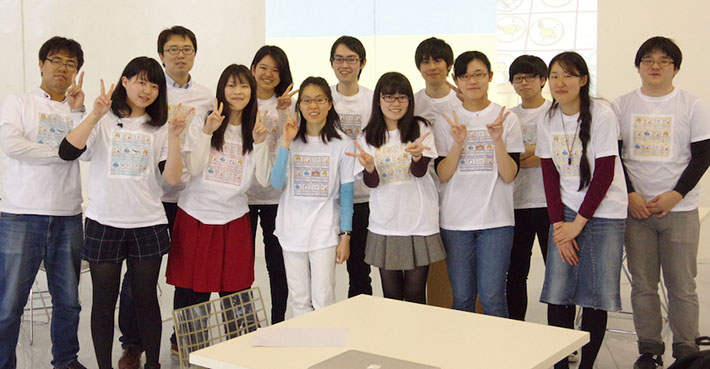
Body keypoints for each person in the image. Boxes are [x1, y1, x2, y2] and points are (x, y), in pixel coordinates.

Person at [59, 56, 188, 369]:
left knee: (146, 301)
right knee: (103, 303)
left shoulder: (159, 127)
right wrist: (94, 114)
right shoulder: (102, 120)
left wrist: (173, 137)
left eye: (155, 85)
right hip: (105, 222)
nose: (148, 90)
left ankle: (153, 364)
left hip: (148, 224)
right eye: (141, 81)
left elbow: (172, 179)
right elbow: (67, 152)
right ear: (125, 82)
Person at [116, 25, 214, 367]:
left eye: (186, 48)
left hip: (192, 197)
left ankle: (184, 337)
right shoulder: (150, 92)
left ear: (194, 54)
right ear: (161, 54)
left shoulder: (206, 95)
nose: (180, 55)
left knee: (190, 273)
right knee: (139, 277)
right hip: (152, 198)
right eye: (172, 49)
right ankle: (133, 344)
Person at [613, 36, 710, 369]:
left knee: (682, 284)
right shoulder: (621, 105)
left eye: (664, 60)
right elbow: (613, 157)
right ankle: (649, 349)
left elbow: (703, 155)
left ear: (676, 68)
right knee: (643, 284)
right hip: (636, 210)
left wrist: (676, 194)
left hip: (679, 210)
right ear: (638, 66)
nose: (655, 66)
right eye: (648, 60)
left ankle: (687, 351)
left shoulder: (693, 104)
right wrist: (629, 195)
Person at [536, 51, 628, 369]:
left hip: (605, 213)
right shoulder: (547, 118)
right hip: (565, 211)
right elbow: (548, 174)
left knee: (595, 295)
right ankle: (560, 363)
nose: (560, 82)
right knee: (558, 292)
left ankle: (586, 365)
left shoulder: (602, 113)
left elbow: (604, 172)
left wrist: (579, 223)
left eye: (568, 75)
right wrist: (559, 226)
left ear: (583, 80)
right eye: (555, 76)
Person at [0, 36, 87, 369]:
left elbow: (87, 149)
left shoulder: (77, 108)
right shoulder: (18, 102)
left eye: (71, 64)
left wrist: (79, 112)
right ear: (41, 64)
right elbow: (12, 145)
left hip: (67, 213)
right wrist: (61, 153)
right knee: (9, 304)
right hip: (21, 214)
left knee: (68, 302)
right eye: (56, 61)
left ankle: (66, 361)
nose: (63, 69)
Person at [166, 64, 270, 330]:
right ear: (222, 89)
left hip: (234, 218)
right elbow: (195, 169)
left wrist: (259, 143)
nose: (238, 91)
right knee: (191, 290)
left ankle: (236, 348)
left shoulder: (255, 126)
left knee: (236, 290)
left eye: (244, 86)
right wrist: (207, 132)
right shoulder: (204, 118)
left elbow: (264, 179)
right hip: (196, 215)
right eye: (232, 85)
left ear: (252, 91)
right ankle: (186, 345)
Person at [437, 50, 524, 317]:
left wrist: (497, 139)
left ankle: (499, 358)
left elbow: (509, 174)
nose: (472, 81)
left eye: (478, 75)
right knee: (462, 298)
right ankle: (462, 357)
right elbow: (443, 174)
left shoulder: (506, 117)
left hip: (496, 222)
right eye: (465, 76)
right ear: (456, 80)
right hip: (455, 222)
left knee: (493, 297)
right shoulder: (447, 119)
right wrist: (457, 144)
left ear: (489, 77)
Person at [349, 72, 445, 303]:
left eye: (402, 98)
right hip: (386, 223)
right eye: (389, 97)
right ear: (379, 100)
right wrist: (370, 167)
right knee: (390, 296)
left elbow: (420, 172)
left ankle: (418, 339)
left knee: (415, 294)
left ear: (410, 102)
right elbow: (372, 183)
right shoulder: (368, 137)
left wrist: (418, 156)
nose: (396, 103)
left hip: (418, 221)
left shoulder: (421, 128)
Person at [270, 76, 355, 316]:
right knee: (298, 300)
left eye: (319, 99)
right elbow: (276, 183)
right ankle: (303, 351)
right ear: (299, 106)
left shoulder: (342, 143)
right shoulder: (290, 139)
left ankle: (325, 351)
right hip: (291, 230)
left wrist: (345, 236)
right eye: (306, 100)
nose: (313, 106)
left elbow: (346, 195)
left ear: (329, 104)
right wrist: (286, 142)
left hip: (324, 232)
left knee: (324, 298)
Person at [247, 45, 296, 324]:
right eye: (263, 67)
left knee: (277, 264)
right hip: (243, 196)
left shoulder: (288, 104)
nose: (268, 74)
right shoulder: (240, 99)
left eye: (275, 69)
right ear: (253, 69)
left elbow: (291, 140)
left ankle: (278, 319)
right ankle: (244, 321)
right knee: (242, 265)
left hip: (277, 196)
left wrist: (282, 111)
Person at [412, 37, 460, 307]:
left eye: (437, 60)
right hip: (423, 192)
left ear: (448, 65)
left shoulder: (462, 100)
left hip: (459, 191)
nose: (432, 66)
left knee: (456, 268)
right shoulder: (413, 102)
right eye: (425, 61)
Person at [505, 55, 551, 321]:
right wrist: (538, 153)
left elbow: (557, 153)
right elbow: (510, 158)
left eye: (530, 77)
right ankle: (515, 328)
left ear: (543, 80)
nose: (524, 83)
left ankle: (562, 336)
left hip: (551, 204)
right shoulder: (509, 116)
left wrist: (523, 154)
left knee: (556, 271)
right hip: (516, 203)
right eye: (518, 79)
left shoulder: (555, 111)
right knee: (516, 271)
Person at [329, 35, 374, 297]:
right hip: (328, 196)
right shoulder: (323, 98)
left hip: (364, 196)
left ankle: (361, 327)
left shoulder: (372, 99)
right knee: (321, 270)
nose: (345, 64)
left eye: (351, 59)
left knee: (360, 270)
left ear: (362, 63)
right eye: (339, 59)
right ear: (332, 63)